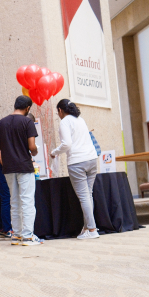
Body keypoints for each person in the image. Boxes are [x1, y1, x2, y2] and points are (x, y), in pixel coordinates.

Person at [0, 96, 41, 246]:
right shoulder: (27, 121)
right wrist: (34, 152)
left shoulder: (2, 122)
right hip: (24, 166)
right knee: (27, 201)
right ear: (27, 108)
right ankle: (28, 236)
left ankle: (17, 236)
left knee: (14, 201)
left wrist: (9, 146)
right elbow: (32, 146)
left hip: (8, 167)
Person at [51, 99, 100, 240]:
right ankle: (87, 228)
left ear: (60, 110)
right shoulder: (80, 119)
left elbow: (66, 144)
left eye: (57, 112)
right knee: (88, 195)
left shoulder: (64, 122)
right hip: (91, 159)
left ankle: (92, 229)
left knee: (84, 196)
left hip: (77, 162)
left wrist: (54, 152)